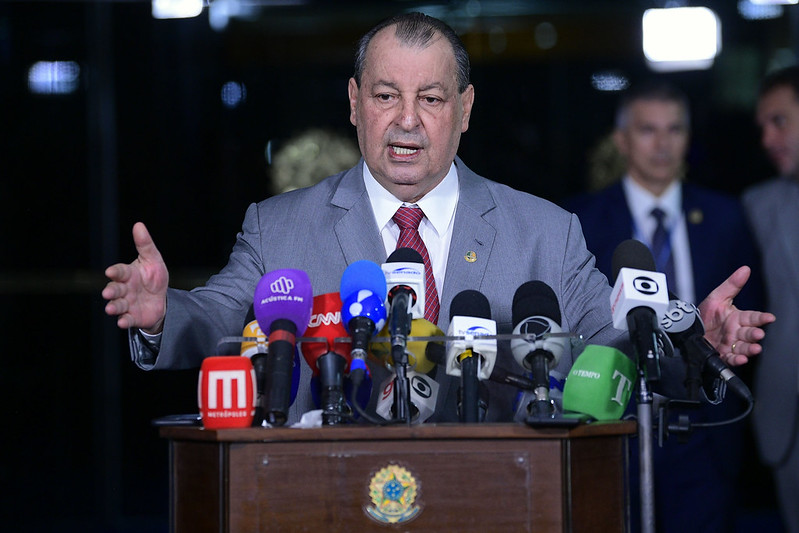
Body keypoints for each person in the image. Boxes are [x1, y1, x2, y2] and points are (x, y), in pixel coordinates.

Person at [102, 13, 772, 428]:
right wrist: (163, 314)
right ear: (355, 103)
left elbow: (612, 341)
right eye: (386, 95)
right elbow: (217, 317)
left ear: (465, 108)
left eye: (430, 98)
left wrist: (693, 343)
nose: (406, 121)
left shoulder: (544, 230)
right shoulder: (278, 226)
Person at [561, 80, 763, 533]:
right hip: (617, 418)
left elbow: (748, 312)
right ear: (621, 139)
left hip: (705, 428)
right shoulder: (579, 221)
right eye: (648, 129)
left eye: (674, 129)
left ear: (688, 138)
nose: (662, 143)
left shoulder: (726, 217)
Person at [742, 64, 799, 533]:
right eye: (762, 126)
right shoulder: (755, 206)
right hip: (788, 420)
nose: (766, 139)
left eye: (779, 121)